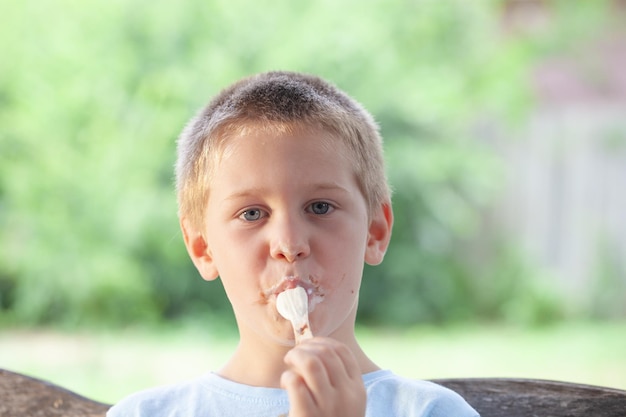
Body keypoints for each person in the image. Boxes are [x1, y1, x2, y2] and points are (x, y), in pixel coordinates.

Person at [107, 71, 479, 417]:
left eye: (320, 207)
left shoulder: (432, 411)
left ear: (375, 232)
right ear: (203, 247)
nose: (289, 244)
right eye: (252, 214)